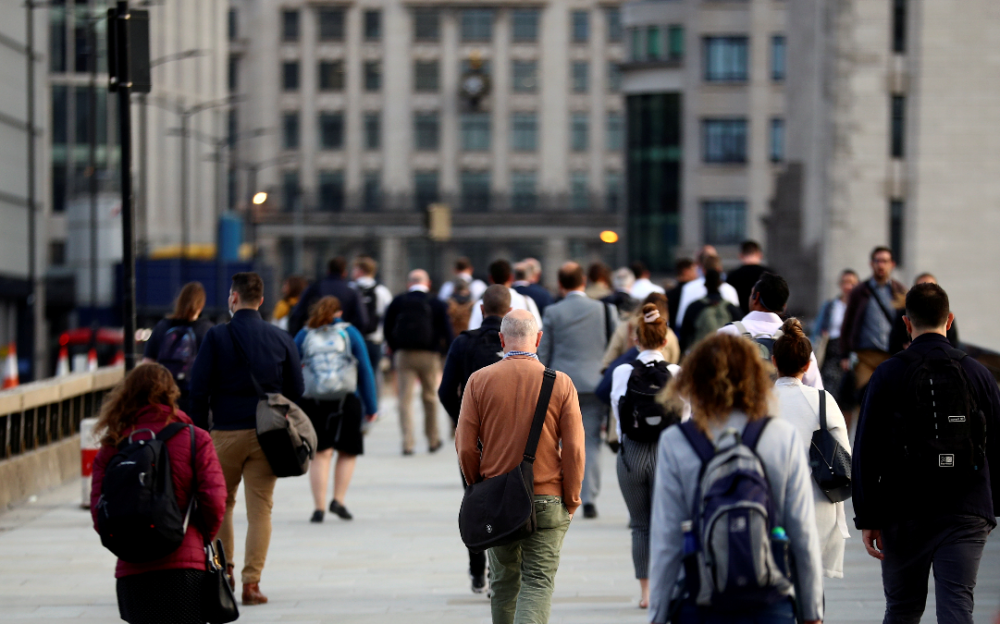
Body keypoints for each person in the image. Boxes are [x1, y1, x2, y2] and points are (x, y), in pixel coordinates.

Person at [648, 334, 824, 624]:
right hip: (770, 602)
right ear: (755, 376)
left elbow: (666, 539)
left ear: (694, 380)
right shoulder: (781, 436)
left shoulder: (676, 441)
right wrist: (812, 612)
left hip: (700, 601)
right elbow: (803, 534)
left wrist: (657, 614)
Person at [852, 283, 1000, 624]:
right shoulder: (978, 374)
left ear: (906, 323)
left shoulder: (887, 373)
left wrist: (868, 515)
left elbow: (866, 448)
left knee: (902, 610)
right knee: (957, 609)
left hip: (904, 511)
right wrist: (989, 507)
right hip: (966, 508)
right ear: (949, 320)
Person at [455, 309, 585, 624]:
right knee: (538, 583)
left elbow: (464, 446)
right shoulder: (561, 383)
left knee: (502, 584)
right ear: (538, 339)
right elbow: (575, 449)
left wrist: (478, 487)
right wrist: (572, 497)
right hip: (547, 495)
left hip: (498, 498)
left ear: (502, 340)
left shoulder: (479, 380)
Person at [189, 272, 304, 606]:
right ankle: (251, 584)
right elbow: (297, 390)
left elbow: (198, 390)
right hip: (267, 435)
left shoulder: (216, 337)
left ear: (234, 298)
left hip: (224, 432)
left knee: (221, 504)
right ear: (262, 300)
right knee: (261, 510)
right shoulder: (280, 338)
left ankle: (224, 572)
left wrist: (199, 434)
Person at [90, 363, 227, 624]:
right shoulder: (194, 438)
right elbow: (215, 499)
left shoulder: (112, 446)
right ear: (170, 394)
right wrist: (196, 535)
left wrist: (127, 539)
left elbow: (100, 511)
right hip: (184, 566)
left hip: (131, 571)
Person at [438, 284, 512, 594]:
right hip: (509, 436)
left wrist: (463, 420)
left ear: (480, 310)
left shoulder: (463, 343)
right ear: (508, 312)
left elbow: (444, 391)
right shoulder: (515, 342)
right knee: (508, 500)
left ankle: (477, 570)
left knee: (475, 498)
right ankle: (503, 571)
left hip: (474, 437)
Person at [610, 303, 682, 609]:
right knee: (668, 524)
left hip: (633, 454)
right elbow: (687, 418)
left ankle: (646, 594)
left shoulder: (623, 371)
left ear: (635, 340)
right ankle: (670, 587)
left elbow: (617, 413)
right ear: (665, 341)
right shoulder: (677, 372)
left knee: (640, 525)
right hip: (668, 454)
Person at [772, 318, 851, 579]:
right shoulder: (823, 400)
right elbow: (845, 457)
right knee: (811, 591)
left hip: (770, 503)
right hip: (817, 505)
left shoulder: (759, 402)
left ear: (774, 361)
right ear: (807, 365)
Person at [539, 262, 618, 519]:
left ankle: (566, 494)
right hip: (596, 384)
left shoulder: (552, 312)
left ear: (560, 284)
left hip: (562, 385)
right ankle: (590, 497)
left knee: (563, 442)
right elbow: (614, 349)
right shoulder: (606, 310)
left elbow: (545, 352)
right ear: (583, 282)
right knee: (592, 441)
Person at [294, 296, 378, 523]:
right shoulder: (350, 333)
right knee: (348, 451)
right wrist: (371, 405)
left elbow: (292, 370)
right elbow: (365, 370)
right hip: (347, 399)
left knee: (320, 454)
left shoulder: (304, 334)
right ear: (339, 312)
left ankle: (318, 507)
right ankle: (338, 500)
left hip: (313, 401)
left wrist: (293, 403)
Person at [383, 269, 453, 455]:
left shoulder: (398, 301)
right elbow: (447, 330)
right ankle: (432, 439)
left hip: (404, 354)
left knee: (404, 399)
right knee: (429, 398)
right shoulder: (436, 302)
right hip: (429, 355)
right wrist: (444, 353)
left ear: (409, 283)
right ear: (428, 283)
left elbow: (387, 327)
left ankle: (408, 442)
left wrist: (395, 347)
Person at [717, 272, 825, 389]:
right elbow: (815, 387)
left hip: (738, 405)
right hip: (783, 406)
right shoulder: (795, 337)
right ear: (784, 306)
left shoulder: (727, 333)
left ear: (756, 297)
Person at [839, 246, 907, 398]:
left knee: (890, 399)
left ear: (892, 264)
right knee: (866, 397)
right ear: (872, 264)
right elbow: (847, 323)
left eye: (885, 261)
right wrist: (844, 354)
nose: (881, 265)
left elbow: (907, 322)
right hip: (865, 356)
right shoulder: (860, 291)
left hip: (891, 356)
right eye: (878, 261)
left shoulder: (899, 291)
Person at [142, 282, 214, 414]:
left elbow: (147, 366)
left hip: (165, 401)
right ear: (201, 304)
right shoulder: (207, 330)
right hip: (195, 402)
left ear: (179, 301)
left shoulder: (162, 327)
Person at [288, 257, 370, 337]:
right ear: (344, 273)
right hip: (343, 339)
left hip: (316, 337)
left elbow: (297, 314)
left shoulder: (315, 288)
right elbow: (363, 321)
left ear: (328, 271)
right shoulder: (352, 292)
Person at [811, 269, 860, 405]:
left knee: (849, 396)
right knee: (829, 390)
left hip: (852, 352)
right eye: (845, 282)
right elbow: (818, 330)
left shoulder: (859, 308)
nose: (848, 286)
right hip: (831, 350)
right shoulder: (831, 306)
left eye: (852, 283)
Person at [677, 260, 742, 353]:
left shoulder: (694, 307)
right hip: (726, 355)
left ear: (705, 285)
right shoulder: (731, 308)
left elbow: (684, 337)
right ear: (720, 284)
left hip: (701, 355)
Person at [602, 292, 680, 369]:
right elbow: (674, 359)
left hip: (630, 377)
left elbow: (608, 359)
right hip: (660, 379)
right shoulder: (669, 335)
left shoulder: (625, 328)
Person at [888, 272, 960, 354]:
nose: (927, 292)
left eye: (931, 288)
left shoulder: (945, 314)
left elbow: (954, 344)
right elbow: (893, 345)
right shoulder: (902, 314)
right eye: (922, 288)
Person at [468, 259, 543, 330]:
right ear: (511, 277)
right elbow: (537, 329)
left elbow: (473, 329)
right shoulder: (527, 302)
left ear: (490, 278)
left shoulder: (480, 304)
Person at [350, 256, 392, 382]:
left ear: (360, 270)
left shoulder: (350, 288)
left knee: (352, 376)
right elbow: (388, 317)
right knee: (372, 375)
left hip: (352, 339)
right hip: (375, 340)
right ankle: (373, 401)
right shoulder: (382, 291)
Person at [674, 250, 741, 329]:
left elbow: (680, 320)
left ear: (703, 269)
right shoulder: (729, 290)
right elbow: (737, 322)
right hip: (725, 338)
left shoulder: (688, 288)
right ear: (719, 269)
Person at [726, 240, 776, 316]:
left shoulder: (732, 276)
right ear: (760, 254)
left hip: (740, 321)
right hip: (765, 320)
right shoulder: (770, 274)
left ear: (740, 255)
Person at [664, 258, 697, 333]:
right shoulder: (693, 293)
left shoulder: (669, 294)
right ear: (686, 271)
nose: (696, 274)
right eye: (694, 270)